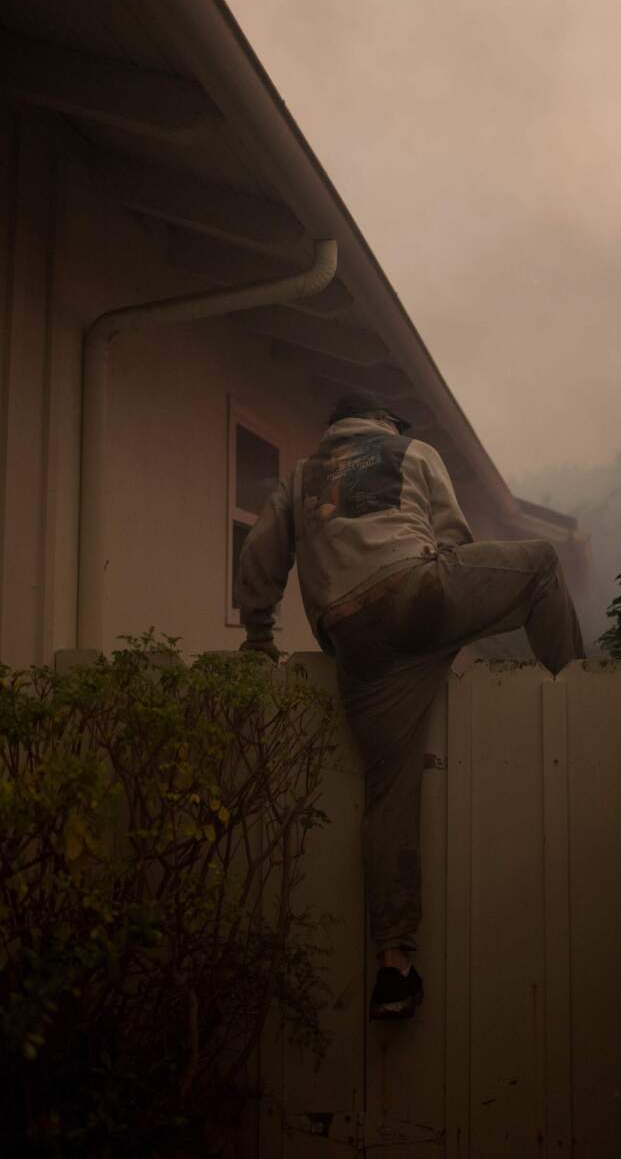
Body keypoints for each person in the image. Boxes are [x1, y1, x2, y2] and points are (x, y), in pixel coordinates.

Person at [234, 393, 586, 1021]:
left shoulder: (305, 474)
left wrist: (259, 635)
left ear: (333, 429)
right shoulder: (413, 452)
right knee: (540, 566)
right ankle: (580, 699)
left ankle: (395, 967)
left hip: (354, 638)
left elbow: (262, 552)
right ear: (387, 425)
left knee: (389, 795)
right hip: (416, 592)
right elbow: (452, 540)